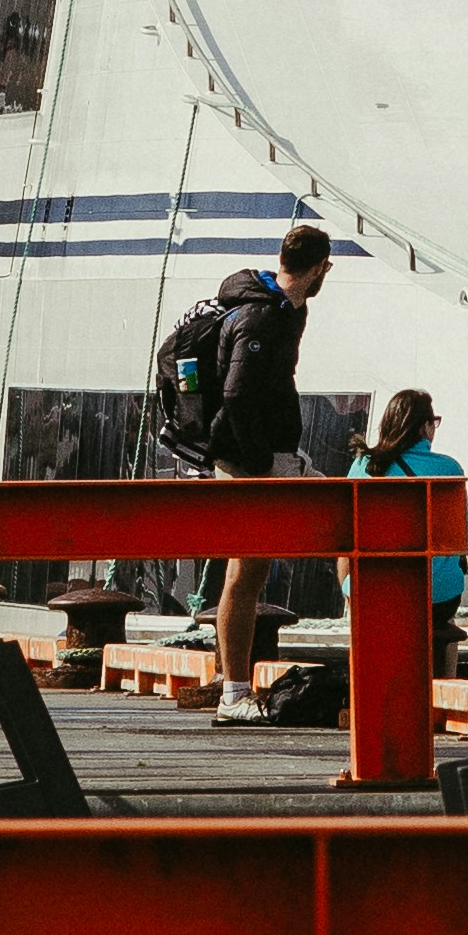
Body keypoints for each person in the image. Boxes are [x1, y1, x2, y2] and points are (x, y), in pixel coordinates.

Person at [170, 220, 337, 706]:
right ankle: (235, 693)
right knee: (247, 574)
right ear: (319, 268)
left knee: (249, 572)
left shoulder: (286, 308)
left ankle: (233, 687)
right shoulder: (263, 318)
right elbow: (238, 394)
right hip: (248, 460)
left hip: (264, 455)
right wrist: (262, 463)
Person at [362, 378, 468, 629]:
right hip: (437, 599)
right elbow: (463, 536)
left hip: (371, 593)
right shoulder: (449, 469)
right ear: (425, 428)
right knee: (448, 578)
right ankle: (444, 663)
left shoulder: (362, 466)